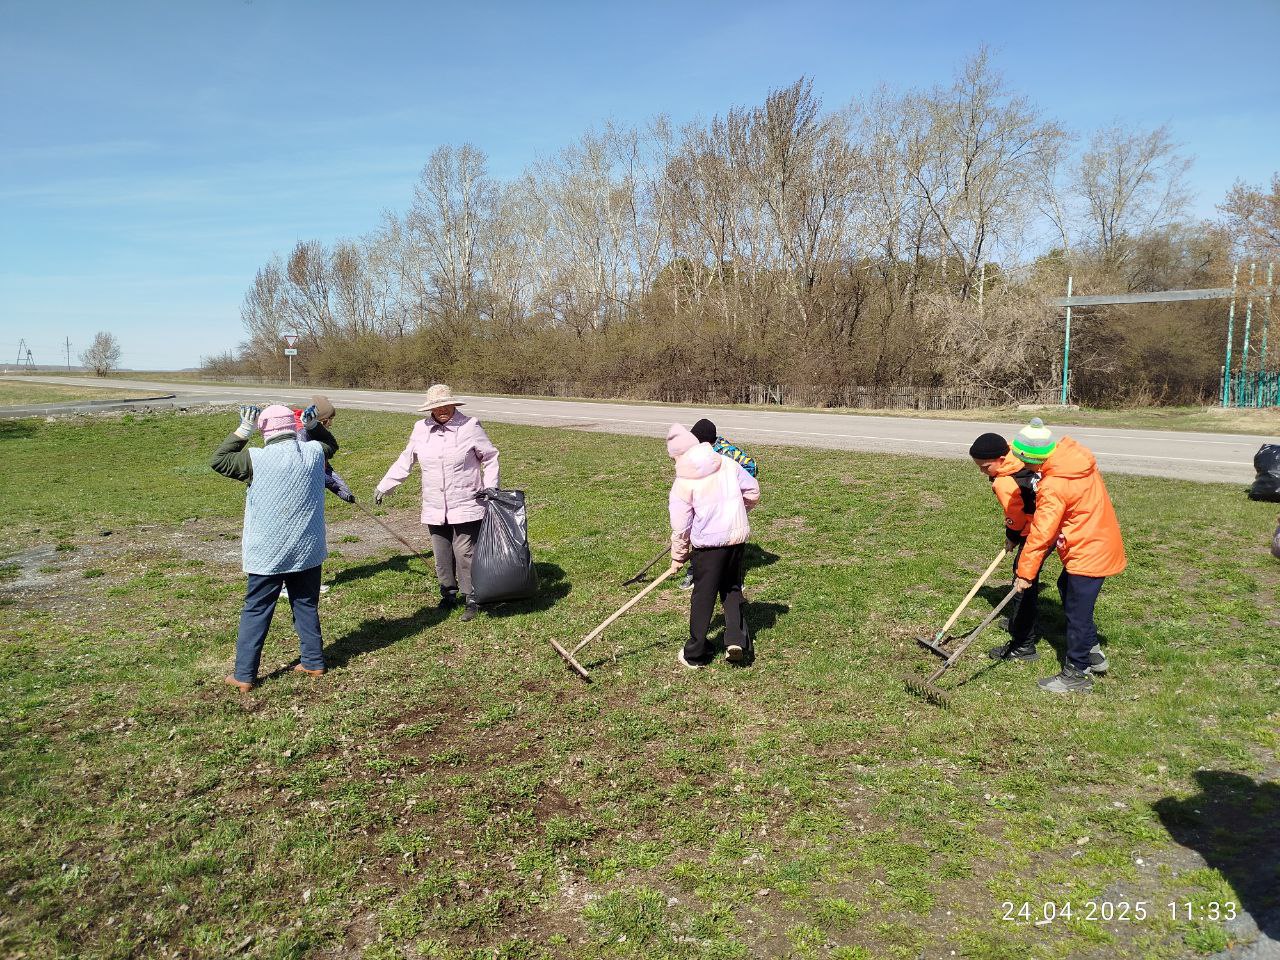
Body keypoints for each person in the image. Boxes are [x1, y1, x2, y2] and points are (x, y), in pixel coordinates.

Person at [211, 403, 338, 692]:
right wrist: (313, 426)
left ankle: (244, 674)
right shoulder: (313, 452)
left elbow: (218, 460)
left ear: (264, 430)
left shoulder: (255, 459)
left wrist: (243, 430)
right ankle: (314, 661)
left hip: (268, 552)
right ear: (293, 428)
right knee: (305, 603)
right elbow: (331, 444)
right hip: (307, 547)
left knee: (257, 609)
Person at [1007, 418, 1126, 693]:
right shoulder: (1072, 462)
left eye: (1025, 462)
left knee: (1077, 611)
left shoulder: (1055, 485)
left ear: (1035, 460)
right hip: (1099, 539)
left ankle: (1077, 673)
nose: (1025, 468)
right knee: (1066, 588)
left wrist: (1025, 573)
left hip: (1089, 550)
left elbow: (1041, 534)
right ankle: (1092, 653)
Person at [375, 384, 499, 622]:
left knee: (464, 551)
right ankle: (448, 593)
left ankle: (472, 597)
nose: (441, 409)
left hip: (466, 499)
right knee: (441, 551)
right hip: (434, 502)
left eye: (445, 404)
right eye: (436, 406)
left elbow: (490, 457)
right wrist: (384, 485)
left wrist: (490, 487)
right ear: (429, 409)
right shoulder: (420, 429)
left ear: (453, 404)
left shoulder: (470, 426)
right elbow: (406, 459)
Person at [666, 423, 761, 668]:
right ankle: (736, 639)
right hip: (736, 540)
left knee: (703, 596)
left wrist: (679, 556)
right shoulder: (727, 463)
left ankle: (695, 653)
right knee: (730, 588)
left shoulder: (682, 482)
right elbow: (752, 491)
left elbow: (681, 526)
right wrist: (738, 512)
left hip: (708, 547)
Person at [969, 431, 1041, 661]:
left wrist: (1012, 535)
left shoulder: (1003, 481)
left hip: (1037, 530)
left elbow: (1015, 516)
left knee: (1023, 580)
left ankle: (1023, 644)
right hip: (1047, 521)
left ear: (1001, 459)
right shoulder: (1019, 455)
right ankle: (1018, 621)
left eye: (985, 467)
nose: (982, 472)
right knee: (1025, 578)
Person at [679, 418, 758, 590]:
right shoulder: (699, 451)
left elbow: (751, 467)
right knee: (699, 535)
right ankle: (694, 572)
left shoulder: (725, 452)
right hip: (705, 502)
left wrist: (736, 491)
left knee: (727, 541)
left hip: (725, 505)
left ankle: (734, 579)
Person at [291, 395, 355, 503]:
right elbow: (311, 469)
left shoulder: (315, 436)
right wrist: (334, 485)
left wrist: (342, 491)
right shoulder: (302, 436)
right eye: (330, 420)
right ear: (322, 420)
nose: (331, 424)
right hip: (300, 494)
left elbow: (323, 465)